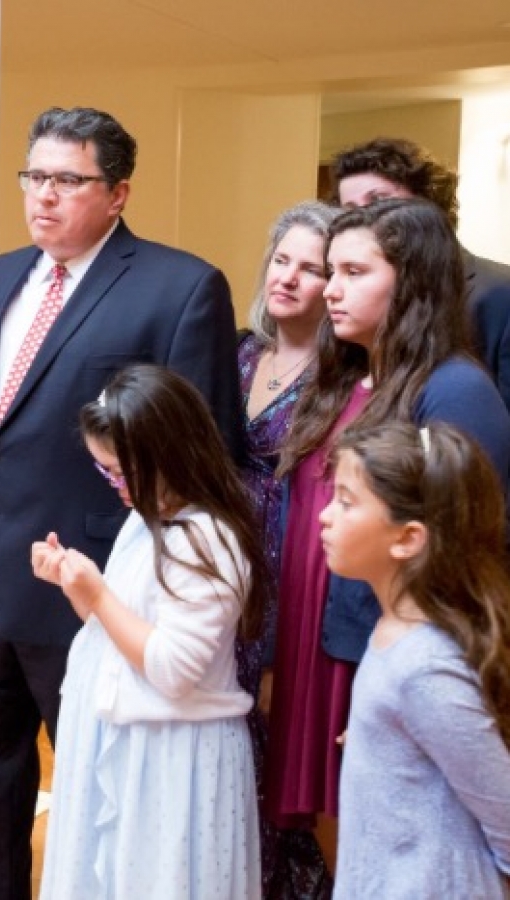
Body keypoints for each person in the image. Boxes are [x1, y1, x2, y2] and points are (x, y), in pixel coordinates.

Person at [0, 105, 243, 900]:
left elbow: (205, 457)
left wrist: (116, 582)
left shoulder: (180, 288)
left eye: (69, 180)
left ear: (118, 193)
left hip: (99, 593)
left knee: (102, 804)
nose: (44, 196)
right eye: (35, 177)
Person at [264, 198, 510, 854]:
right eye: (331, 272)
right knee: (328, 831)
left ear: (411, 281)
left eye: (353, 272)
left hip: (389, 642)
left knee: (381, 836)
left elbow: (461, 551)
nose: (332, 290)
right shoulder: (344, 377)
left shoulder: (455, 391)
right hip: (320, 630)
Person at [31, 365, 264, 900]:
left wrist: (98, 595)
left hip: (168, 757)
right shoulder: (147, 519)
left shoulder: (208, 539)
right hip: (126, 740)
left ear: (168, 454)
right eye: (105, 472)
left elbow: (173, 669)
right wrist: (73, 585)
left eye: (120, 472)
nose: (115, 486)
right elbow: (123, 633)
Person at [320, 421, 510, 898]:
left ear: (407, 539)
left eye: (346, 502)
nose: (325, 516)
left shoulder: (425, 667)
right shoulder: (394, 632)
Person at [235, 201, 338, 898]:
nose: (290, 279)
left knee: (273, 750)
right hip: (221, 567)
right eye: (282, 260)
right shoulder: (239, 353)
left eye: (313, 268)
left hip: (289, 574)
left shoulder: (342, 378)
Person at [330, 136, 510, 410]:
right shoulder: (351, 295)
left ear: (429, 203)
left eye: (378, 202)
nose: (365, 217)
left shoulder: (499, 291)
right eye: (350, 210)